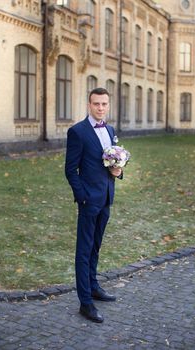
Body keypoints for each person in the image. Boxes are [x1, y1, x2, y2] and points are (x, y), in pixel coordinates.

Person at [65, 87, 122, 323]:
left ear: (108, 105)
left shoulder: (110, 129)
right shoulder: (77, 131)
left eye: (104, 104)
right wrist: (82, 196)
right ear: (89, 105)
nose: (100, 108)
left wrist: (118, 172)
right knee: (84, 250)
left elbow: (112, 162)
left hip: (106, 197)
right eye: (96, 104)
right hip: (89, 201)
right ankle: (85, 303)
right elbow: (70, 169)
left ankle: (94, 286)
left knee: (96, 247)